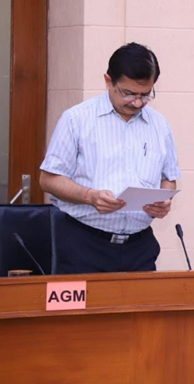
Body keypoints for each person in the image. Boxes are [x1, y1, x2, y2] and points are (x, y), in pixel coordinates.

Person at [40, 42, 181, 274]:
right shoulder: (76, 119)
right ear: (108, 81)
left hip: (140, 248)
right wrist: (90, 196)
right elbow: (48, 180)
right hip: (83, 244)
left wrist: (162, 202)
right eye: (128, 93)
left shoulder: (160, 126)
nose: (137, 102)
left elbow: (168, 178)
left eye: (145, 95)